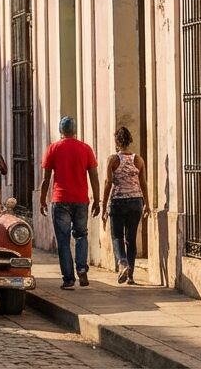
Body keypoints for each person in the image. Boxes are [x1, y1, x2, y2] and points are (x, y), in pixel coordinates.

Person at [39, 116, 101, 290]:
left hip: (60, 200)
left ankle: (68, 278)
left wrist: (42, 200)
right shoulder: (85, 148)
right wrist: (96, 199)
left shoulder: (53, 149)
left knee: (64, 240)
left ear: (61, 131)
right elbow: (94, 177)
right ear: (75, 131)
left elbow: (46, 179)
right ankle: (81, 267)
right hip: (81, 200)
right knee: (81, 235)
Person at [101, 126, 149, 284]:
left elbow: (108, 183)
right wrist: (146, 204)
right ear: (129, 140)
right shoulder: (138, 159)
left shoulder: (113, 159)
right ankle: (130, 276)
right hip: (136, 201)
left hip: (118, 202)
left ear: (117, 141)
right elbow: (143, 183)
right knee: (131, 238)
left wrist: (104, 207)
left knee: (117, 236)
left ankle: (122, 263)